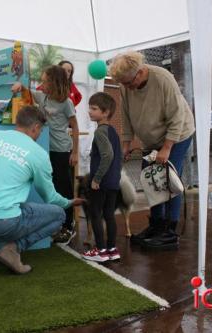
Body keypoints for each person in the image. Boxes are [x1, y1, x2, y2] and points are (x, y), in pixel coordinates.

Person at [0, 106, 83, 274]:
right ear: (36, 128)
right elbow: (50, 198)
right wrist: (69, 202)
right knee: (59, 214)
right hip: (3, 224)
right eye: (40, 131)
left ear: (17, 122)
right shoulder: (38, 154)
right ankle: (12, 249)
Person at [108, 51, 195, 250]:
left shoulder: (163, 79)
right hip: (151, 139)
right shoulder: (125, 85)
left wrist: (166, 148)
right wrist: (127, 143)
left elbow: (177, 116)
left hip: (178, 135)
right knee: (150, 179)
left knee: (167, 180)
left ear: (139, 73)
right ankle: (156, 226)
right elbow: (126, 114)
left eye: (129, 83)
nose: (127, 88)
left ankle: (170, 232)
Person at [12, 65, 79, 245]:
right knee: (52, 187)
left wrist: (75, 152)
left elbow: (75, 126)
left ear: (55, 82)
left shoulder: (66, 102)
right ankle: (57, 223)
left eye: (45, 81)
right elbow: (29, 92)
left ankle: (69, 226)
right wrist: (20, 86)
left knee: (63, 187)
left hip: (62, 150)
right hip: (46, 149)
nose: (42, 84)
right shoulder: (44, 97)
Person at [81, 92, 122, 262]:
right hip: (113, 182)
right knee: (109, 215)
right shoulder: (113, 131)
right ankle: (112, 249)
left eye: (94, 108)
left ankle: (100, 251)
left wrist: (96, 178)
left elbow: (108, 155)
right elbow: (118, 157)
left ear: (105, 112)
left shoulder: (100, 133)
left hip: (101, 182)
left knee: (95, 214)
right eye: (90, 107)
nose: (89, 111)